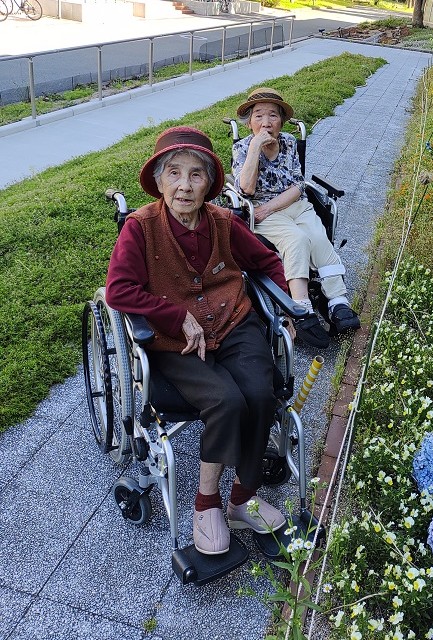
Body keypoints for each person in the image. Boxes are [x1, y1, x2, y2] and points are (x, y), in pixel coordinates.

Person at [106, 126, 289, 556]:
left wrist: (286, 308)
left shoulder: (223, 221)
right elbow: (118, 290)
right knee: (226, 400)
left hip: (234, 323)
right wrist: (175, 314)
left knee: (262, 392)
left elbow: (267, 261)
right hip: (175, 341)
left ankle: (242, 500)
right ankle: (206, 503)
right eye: (174, 173)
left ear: (209, 184)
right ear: (159, 180)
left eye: (196, 175)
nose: (184, 186)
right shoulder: (140, 229)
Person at [232, 87, 360, 349]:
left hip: (291, 205)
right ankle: (301, 309)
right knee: (297, 239)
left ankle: (338, 302)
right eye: (258, 116)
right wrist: (256, 147)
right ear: (249, 123)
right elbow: (245, 189)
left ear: (281, 120)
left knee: (318, 238)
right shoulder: (244, 148)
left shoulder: (289, 142)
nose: (266, 122)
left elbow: (298, 186)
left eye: (273, 116)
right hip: (260, 209)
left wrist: (271, 208)